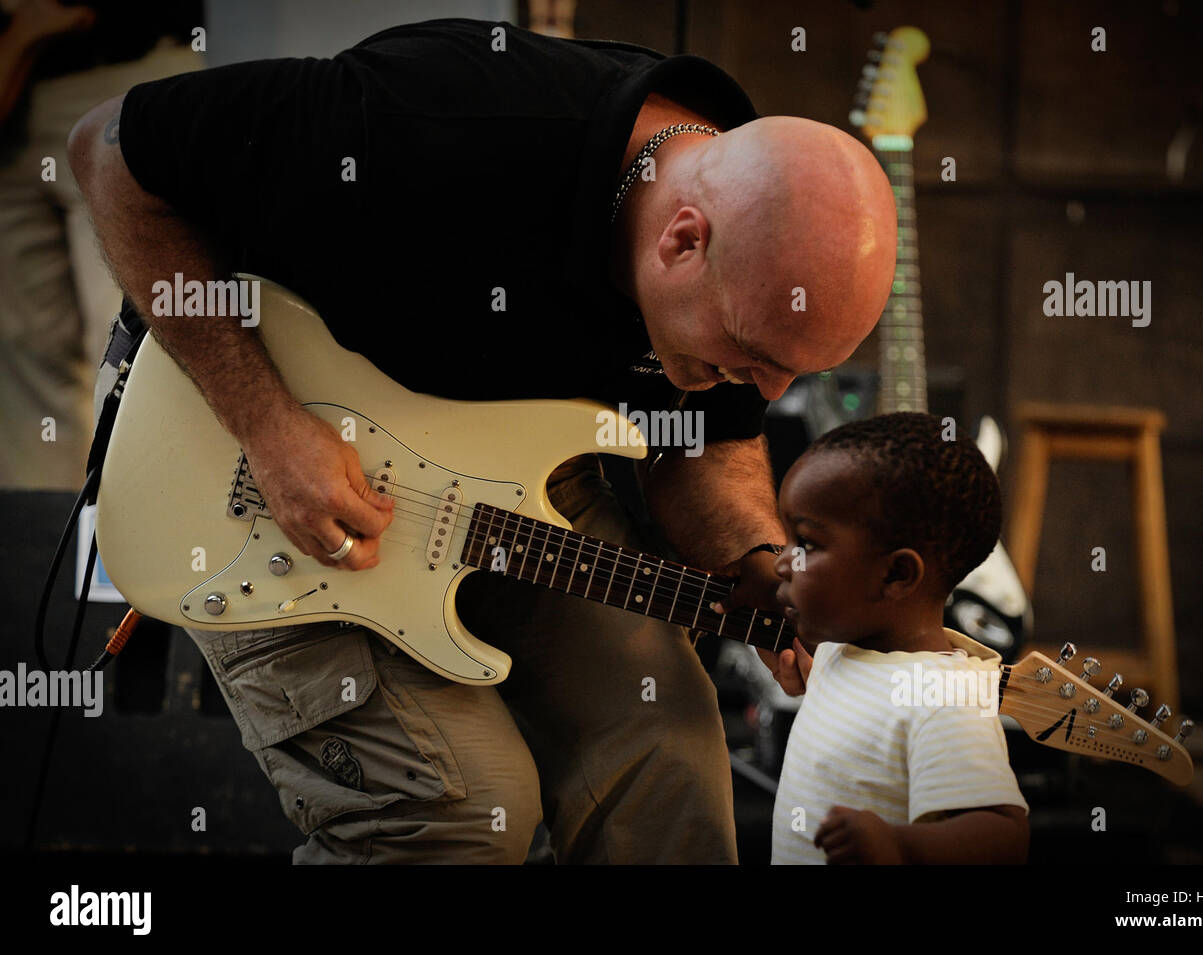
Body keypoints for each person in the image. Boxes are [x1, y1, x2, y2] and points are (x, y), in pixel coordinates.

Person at [67, 18, 897, 864]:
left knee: (670, 749)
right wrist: (272, 428)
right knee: (456, 805)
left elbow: (706, 451)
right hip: (238, 455)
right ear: (682, 240)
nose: (770, 393)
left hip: (506, 477)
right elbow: (108, 150)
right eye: (756, 356)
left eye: (795, 370)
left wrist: (763, 570)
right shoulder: (431, 116)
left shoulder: (744, 236)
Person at [751, 413, 1029, 864]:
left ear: (897, 574)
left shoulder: (941, 698)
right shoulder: (840, 648)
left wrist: (900, 845)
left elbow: (1004, 836)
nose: (783, 563)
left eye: (806, 543)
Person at [0, 0, 201, 489]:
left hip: (129, 72)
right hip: (17, 92)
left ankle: (149, 537)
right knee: (24, 348)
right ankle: (51, 547)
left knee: (132, 344)